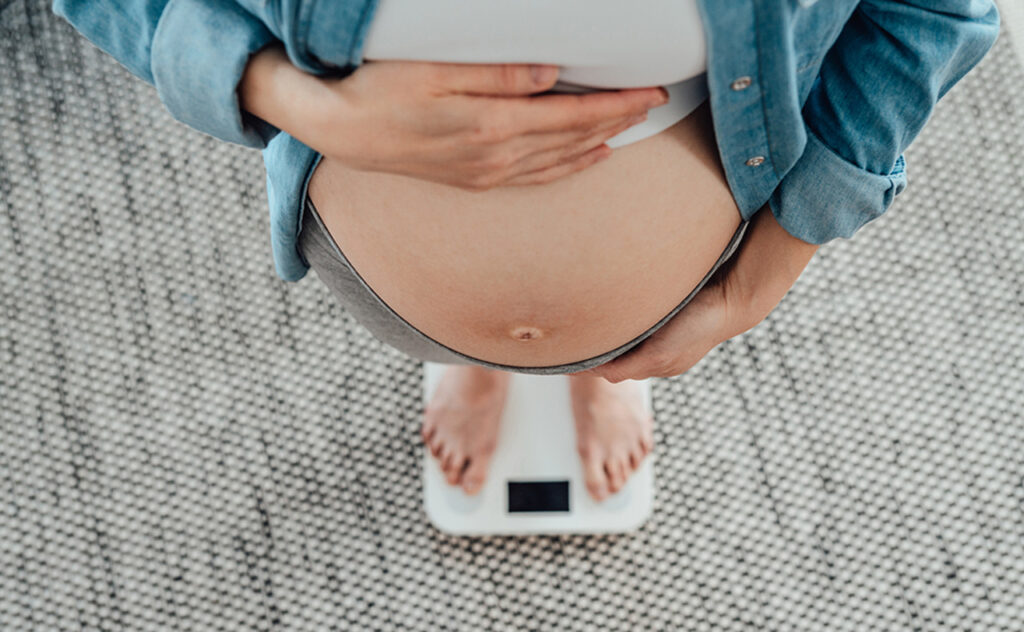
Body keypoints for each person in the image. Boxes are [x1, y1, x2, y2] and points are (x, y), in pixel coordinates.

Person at [53, 0, 1000, 501]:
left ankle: (587, 373)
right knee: (451, 341)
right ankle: (478, 363)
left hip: (673, 271)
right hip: (383, 262)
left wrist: (773, 267)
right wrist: (298, 101)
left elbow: (935, 9)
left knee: (609, 355)